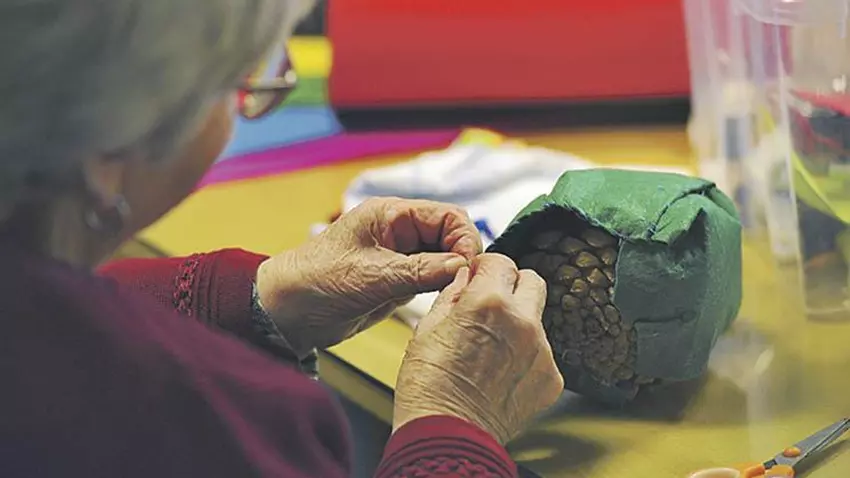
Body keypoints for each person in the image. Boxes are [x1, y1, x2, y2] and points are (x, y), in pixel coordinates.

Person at [0, 0, 564, 477]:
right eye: (240, 86)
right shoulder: (217, 432)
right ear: (110, 145)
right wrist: (452, 427)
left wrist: (259, 298)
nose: (239, 114)